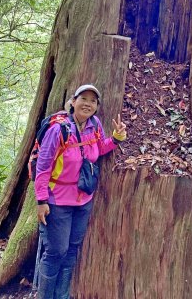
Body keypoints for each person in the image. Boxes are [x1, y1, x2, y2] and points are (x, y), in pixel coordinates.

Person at [34, 84, 126, 299]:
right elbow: (43, 166)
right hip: (57, 201)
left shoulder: (94, 125)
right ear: (73, 102)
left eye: (93, 101)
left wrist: (115, 139)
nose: (87, 103)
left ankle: (62, 295)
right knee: (56, 251)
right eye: (83, 98)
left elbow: (98, 149)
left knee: (73, 248)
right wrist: (41, 200)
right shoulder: (59, 129)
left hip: (84, 199)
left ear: (96, 106)